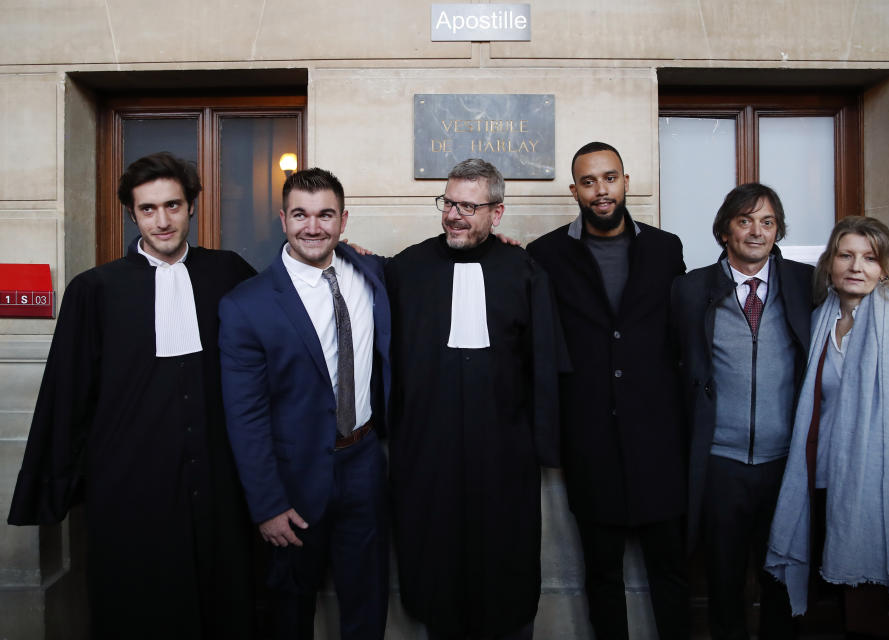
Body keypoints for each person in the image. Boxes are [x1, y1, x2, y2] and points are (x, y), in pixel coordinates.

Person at [7, 152, 256, 639]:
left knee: (223, 602)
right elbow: (67, 394)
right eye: (148, 209)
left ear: (192, 207)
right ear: (131, 213)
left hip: (217, 481)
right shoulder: (95, 290)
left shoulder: (229, 273)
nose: (162, 221)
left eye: (173, 206)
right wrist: (50, 488)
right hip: (129, 486)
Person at [386, 158, 564, 640]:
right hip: (428, 452)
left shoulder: (524, 271)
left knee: (503, 561)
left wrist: (543, 445)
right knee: (435, 558)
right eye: (448, 203)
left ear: (497, 213)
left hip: (504, 455)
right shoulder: (406, 269)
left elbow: (544, 361)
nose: (454, 215)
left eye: (468, 205)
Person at [526, 141, 690, 639]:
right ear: (574, 190)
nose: (602, 190)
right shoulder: (545, 254)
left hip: (660, 439)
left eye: (610, 178)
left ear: (625, 182)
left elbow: (681, 335)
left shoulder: (666, 248)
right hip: (590, 440)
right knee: (602, 573)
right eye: (590, 181)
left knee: (671, 570)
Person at [218, 168, 391, 640]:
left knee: (367, 599)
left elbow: (434, 265)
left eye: (325, 215)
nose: (312, 227)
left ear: (343, 220)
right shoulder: (246, 304)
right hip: (291, 482)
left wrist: (496, 241)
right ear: (282, 219)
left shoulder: (370, 272)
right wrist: (267, 504)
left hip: (364, 464)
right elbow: (244, 414)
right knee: (290, 608)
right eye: (300, 215)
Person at [766, 216, 889, 639]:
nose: (857, 266)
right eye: (846, 255)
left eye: (870, 258)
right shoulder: (814, 325)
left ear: (885, 268)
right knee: (835, 618)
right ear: (829, 264)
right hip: (822, 490)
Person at [671, 182, 813, 640]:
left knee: (781, 580)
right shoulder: (690, 289)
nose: (757, 232)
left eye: (767, 222)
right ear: (725, 231)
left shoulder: (804, 283)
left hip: (785, 463)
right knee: (723, 580)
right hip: (720, 463)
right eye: (745, 220)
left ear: (778, 231)